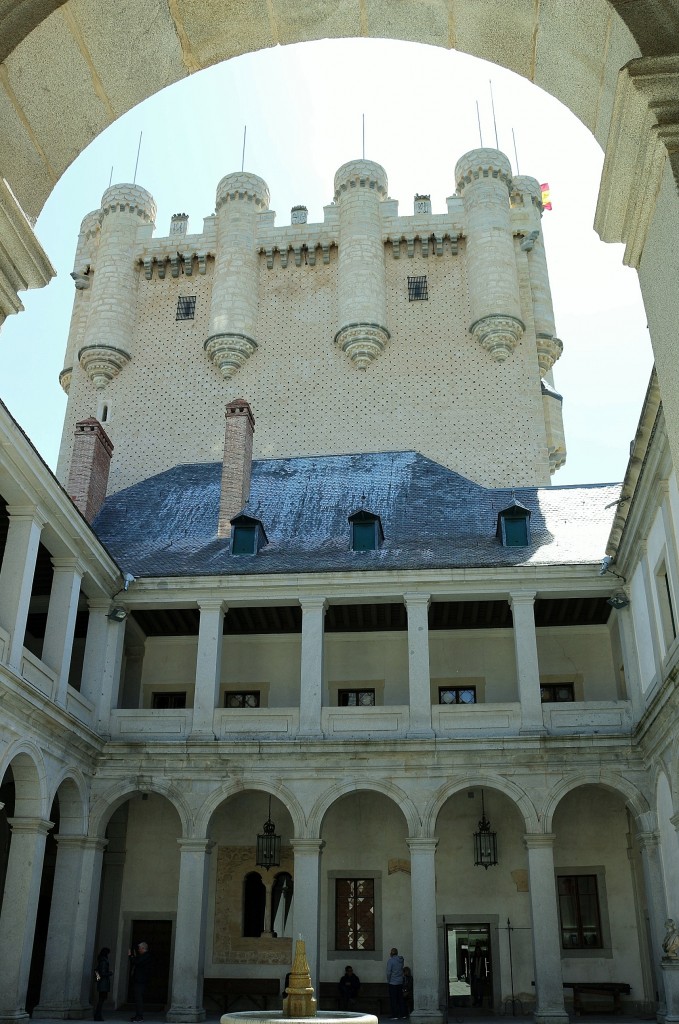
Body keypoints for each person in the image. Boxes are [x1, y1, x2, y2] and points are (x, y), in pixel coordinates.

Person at [128, 941, 152, 1022]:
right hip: (139, 980)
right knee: (138, 999)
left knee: (139, 999)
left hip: (141, 981)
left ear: (143, 948)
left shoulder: (146, 956)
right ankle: (138, 1015)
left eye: (139, 948)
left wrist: (131, 956)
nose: (138, 950)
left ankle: (139, 1017)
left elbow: (136, 962)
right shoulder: (143, 956)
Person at [386, 947, 407, 1020]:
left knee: (393, 999)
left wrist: (388, 981)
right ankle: (403, 1014)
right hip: (400, 981)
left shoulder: (390, 961)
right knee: (400, 999)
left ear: (391, 953)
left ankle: (395, 1015)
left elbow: (388, 972)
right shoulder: (401, 960)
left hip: (393, 982)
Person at [94, 947, 112, 1021]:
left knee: (101, 1000)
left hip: (102, 983)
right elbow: (103, 973)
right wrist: (110, 973)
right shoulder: (104, 961)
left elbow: (99, 972)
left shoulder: (101, 960)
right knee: (101, 1000)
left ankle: (97, 1015)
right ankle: (98, 1016)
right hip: (103, 983)